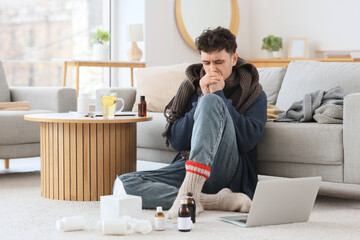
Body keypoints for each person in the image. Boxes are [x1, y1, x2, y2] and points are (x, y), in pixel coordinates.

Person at [117, 27, 267, 219]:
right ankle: (212, 200)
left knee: (211, 101)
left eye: (219, 62)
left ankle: (191, 193)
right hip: (190, 167)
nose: (212, 69)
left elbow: (247, 140)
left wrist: (216, 96)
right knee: (124, 184)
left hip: (226, 168)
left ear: (234, 59)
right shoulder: (190, 87)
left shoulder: (254, 93)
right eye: (206, 62)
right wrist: (201, 100)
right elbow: (177, 142)